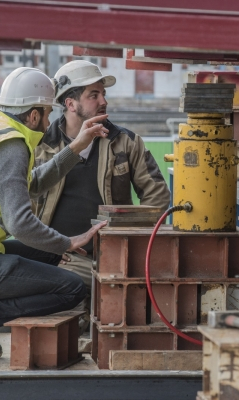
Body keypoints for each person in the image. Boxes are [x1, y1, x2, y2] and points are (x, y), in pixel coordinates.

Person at [0, 67, 109, 368]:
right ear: (32, 116)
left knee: (48, 253)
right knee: (71, 288)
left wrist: (76, 147)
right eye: (46, 113)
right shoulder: (12, 146)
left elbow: (35, 183)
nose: (48, 120)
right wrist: (67, 242)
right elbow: (20, 224)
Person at [33, 60, 170, 291]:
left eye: (103, 94)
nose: (104, 101)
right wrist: (49, 249)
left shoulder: (126, 143)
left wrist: (133, 246)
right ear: (71, 103)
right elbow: (22, 205)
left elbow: (157, 196)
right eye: (93, 95)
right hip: (59, 258)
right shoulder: (41, 146)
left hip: (114, 255)